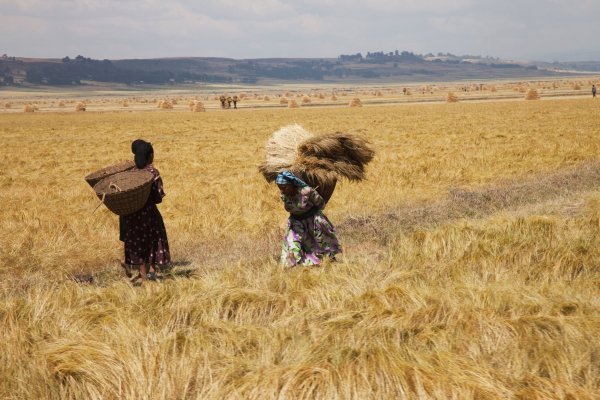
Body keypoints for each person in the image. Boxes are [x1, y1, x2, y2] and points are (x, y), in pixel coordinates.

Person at [121, 140, 171, 285]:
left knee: (138, 242)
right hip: (149, 214)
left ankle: (142, 274)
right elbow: (158, 197)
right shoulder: (152, 172)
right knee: (153, 240)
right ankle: (152, 272)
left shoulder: (130, 173)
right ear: (149, 156)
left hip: (131, 215)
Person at [276, 171, 341, 267]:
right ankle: (291, 265)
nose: (282, 191)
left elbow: (321, 205)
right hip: (296, 223)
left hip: (313, 221)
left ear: (291, 184)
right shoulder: (284, 195)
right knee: (292, 243)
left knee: (320, 245)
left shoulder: (307, 191)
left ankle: (325, 262)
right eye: (280, 188)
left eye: (284, 187)